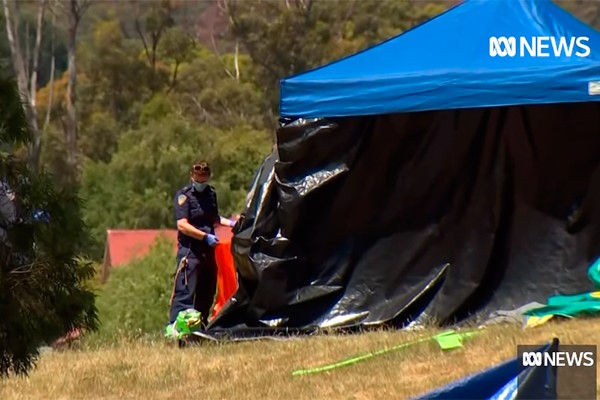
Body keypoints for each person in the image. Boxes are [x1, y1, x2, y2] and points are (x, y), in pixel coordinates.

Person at [168, 160, 236, 333]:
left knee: (207, 291)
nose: (201, 181)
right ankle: (179, 330)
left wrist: (231, 223)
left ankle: (200, 328)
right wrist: (204, 237)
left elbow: (213, 218)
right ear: (192, 176)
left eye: (204, 178)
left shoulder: (210, 194)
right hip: (190, 252)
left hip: (208, 252)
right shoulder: (184, 196)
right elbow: (182, 225)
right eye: (198, 178)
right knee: (186, 292)